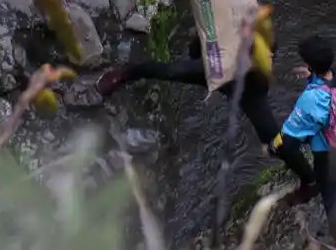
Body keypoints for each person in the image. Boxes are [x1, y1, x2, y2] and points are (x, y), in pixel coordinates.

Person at [96, 31, 319, 199]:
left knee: (274, 140)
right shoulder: (227, 23)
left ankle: (310, 181)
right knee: (172, 71)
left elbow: (266, 55)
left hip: (248, 86)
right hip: (218, 70)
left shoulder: (260, 36)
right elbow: (204, 37)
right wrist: (199, 48)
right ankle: (127, 72)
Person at [274, 35, 336, 249]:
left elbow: (289, 137)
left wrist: (275, 146)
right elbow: (335, 85)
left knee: (333, 197)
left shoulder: (311, 100)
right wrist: (312, 76)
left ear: (309, 65)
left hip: (329, 157)